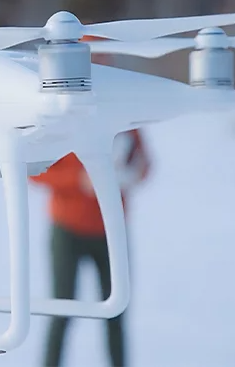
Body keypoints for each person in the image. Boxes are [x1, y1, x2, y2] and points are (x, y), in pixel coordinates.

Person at [29, 35, 152, 367]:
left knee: (116, 312)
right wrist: (77, 181)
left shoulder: (121, 109)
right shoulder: (56, 111)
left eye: (105, 60)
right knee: (62, 312)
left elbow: (145, 162)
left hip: (112, 231)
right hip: (67, 230)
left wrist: (134, 172)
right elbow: (34, 170)